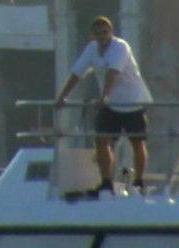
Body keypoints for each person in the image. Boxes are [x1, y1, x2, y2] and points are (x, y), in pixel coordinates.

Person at [55, 16, 152, 195]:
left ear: (111, 32)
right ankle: (106, 182)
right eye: (98, 33)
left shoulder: (120, 47)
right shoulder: (92, 49)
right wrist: (62, 97)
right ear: (93, 35)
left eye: (106, 32)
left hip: (133, 101)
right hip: (110, 104)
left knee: (137, 142)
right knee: (101, 140)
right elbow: (77, 73)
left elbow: (112, 73)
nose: (103, 36)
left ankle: (139, 181)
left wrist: (104, 96)